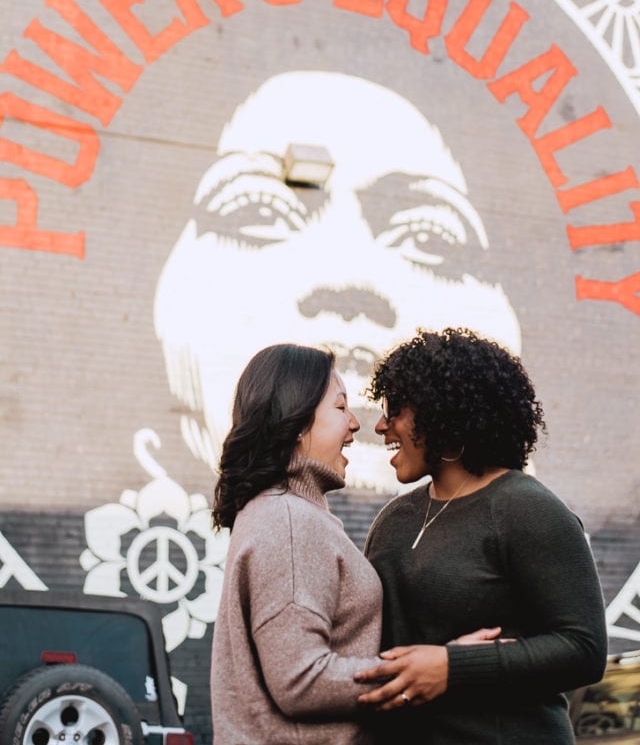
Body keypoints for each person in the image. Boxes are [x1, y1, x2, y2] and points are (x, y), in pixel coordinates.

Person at [154, 71, 521, 492]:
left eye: (427, 236)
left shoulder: (528, 517)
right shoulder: (334, 524)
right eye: (260, 213)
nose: (351, 285)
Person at [355, 327, 608, 744]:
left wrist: (454, 668)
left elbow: (583, 649)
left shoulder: (527, 509)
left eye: (394, 408)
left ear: (444, 411)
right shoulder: (393, 520)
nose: (381, 425)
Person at [210, 341, 383, 745]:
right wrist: (419, 674)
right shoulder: (288, 521)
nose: (354, 424)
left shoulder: (286, 513)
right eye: (341, 408)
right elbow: (302, 681)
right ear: (298, 420)